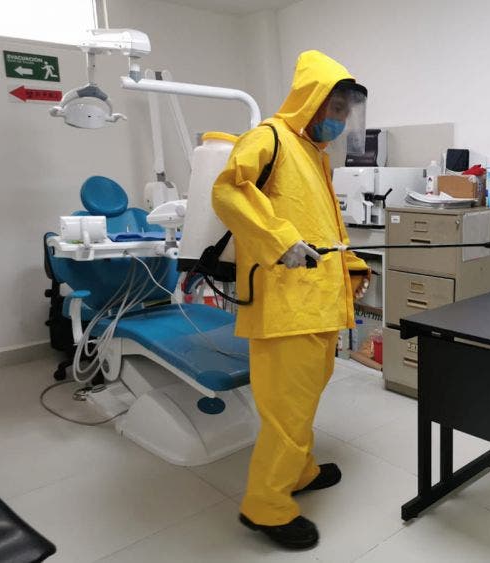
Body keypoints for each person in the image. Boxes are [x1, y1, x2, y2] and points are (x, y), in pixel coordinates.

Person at [211, 50, 372, 549]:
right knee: (286, 415)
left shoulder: (314, 155)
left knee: (302, 404)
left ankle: (299, 472)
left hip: (317, 305)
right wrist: (280, 241)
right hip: (285, 306)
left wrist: (351, 266)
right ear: (311, 100)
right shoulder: (271, 138)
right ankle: (266, 506)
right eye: (335, 108)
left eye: (346, 111)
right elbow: (228, 192)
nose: (340, 120)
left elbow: (326, 229)